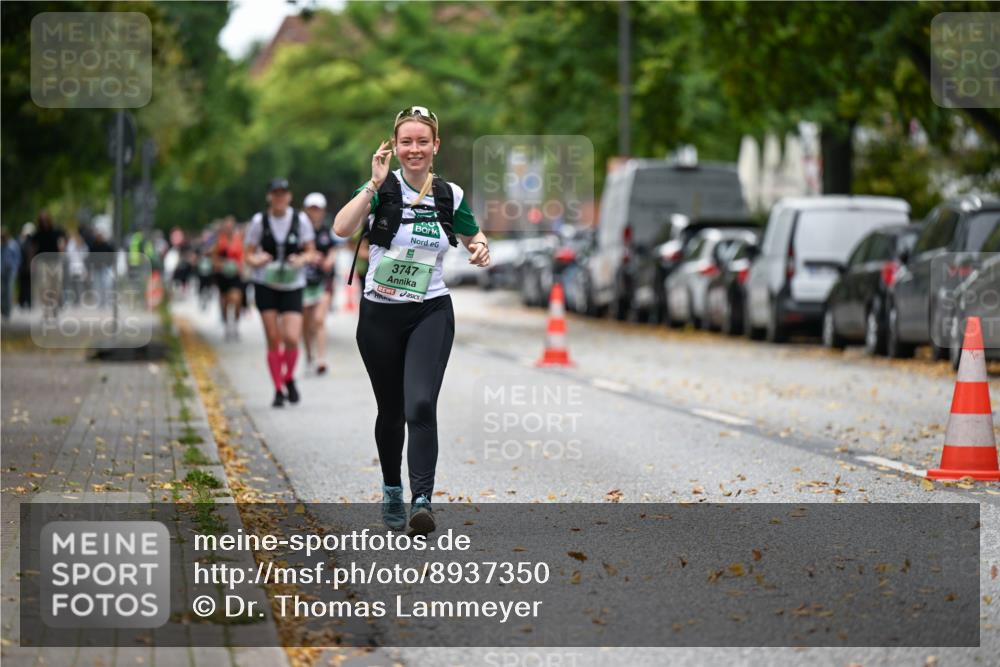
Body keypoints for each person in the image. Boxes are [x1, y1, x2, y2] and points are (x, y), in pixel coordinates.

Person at [333, 106, 490, 536]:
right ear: (394, 146)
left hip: (430, 311)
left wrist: (479, 247)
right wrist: (372, 184)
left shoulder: (449, 195)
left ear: (435, 146)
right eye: (407, 141)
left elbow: (473, 235)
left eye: (423, 141)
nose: (414, 149)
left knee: (420, 403)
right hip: (379, 315)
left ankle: (422, 499)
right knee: (391, 409)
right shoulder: (381, 190)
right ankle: (391, 490)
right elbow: (341, 228)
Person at [244, 178, 316, 407]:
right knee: (274, 339)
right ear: (269, 197)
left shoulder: (300, 219)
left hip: (293, 284)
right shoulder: (259, 221)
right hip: (265, 284)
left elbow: (310, 250)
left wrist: (301, 259)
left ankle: (288, 377)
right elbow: (248, 253)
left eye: (283, 193)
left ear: (289, 196)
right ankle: (277, 389)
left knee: (292, 338)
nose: (279, 198)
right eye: (275, 193)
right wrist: (258, 260)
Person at [302, 192, 339, 374]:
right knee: (306, 323)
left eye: (318, 209)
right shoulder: (300, 230)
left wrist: (329, 260)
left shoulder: (326, 231)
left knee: (318, 320)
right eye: (312, 209)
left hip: (323, 281)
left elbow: (333, 250)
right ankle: (309, 354)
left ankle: (321, 359)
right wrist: (310, 257)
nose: (315, 212)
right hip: (304, 282)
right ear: (306, 210)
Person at [212, 216, 245, 341]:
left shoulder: (239, 240)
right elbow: (213, 259)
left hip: (236, 276)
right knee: (225, 302)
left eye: (231, 226)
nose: (229, 229)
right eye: (227, 226)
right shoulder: (219, 241)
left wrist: (240, 266)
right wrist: (222, 264)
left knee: (236, 299)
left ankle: (235, 324)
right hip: (223, 276)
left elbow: (243, 256)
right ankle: (227, 326)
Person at [33, 211, 66, 320]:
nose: (44, 222)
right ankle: (46, 310)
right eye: (42, 220)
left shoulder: (56, 231)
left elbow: (62, 242)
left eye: (45, 220)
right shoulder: (37, 234)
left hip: (55, 262)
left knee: (56, 287)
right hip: (42, 262)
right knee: (44, 287)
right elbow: (32, 248)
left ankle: (54, 307)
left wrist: (62, 248)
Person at [1, 226, 21, 321]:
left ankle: (7, 312)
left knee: (9, 291)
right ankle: (3, 310)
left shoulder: (13, 244)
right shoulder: (1, 245)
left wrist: (15, 268)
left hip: (11, 271)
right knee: (2, 291)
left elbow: (18, 258)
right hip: (2, 271)